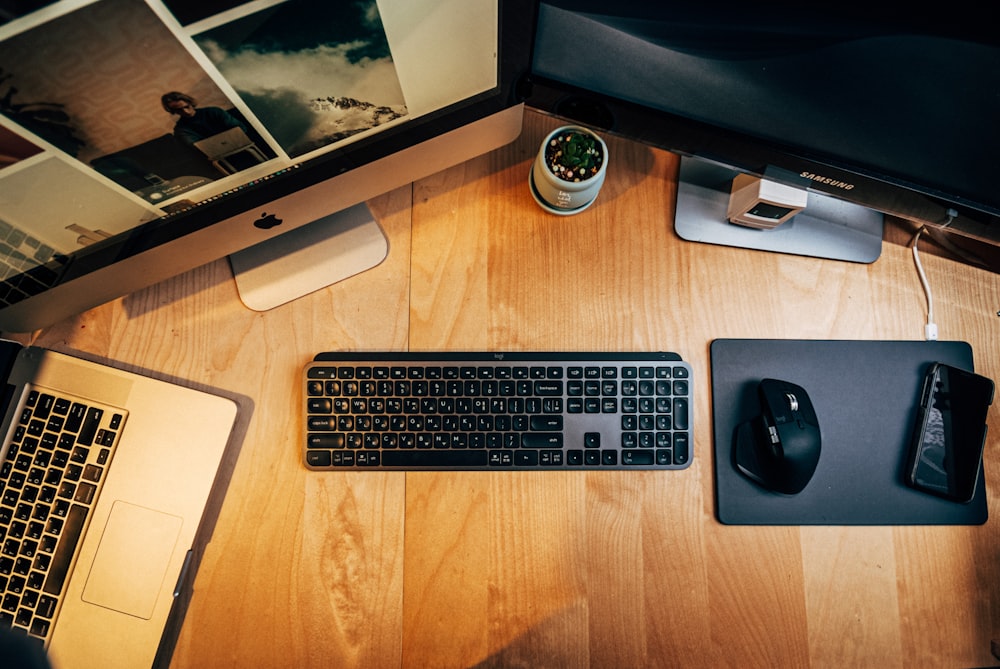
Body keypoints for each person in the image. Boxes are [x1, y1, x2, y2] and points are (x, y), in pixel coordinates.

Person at [160, 92, 248, 145]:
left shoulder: (214, 111)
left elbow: (240, 128)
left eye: (186, 107)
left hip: (241, 143)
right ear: (173, 111)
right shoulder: (180, 129)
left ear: (190, 102)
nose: (186, 112)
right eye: (179, 110)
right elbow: (197, 147)